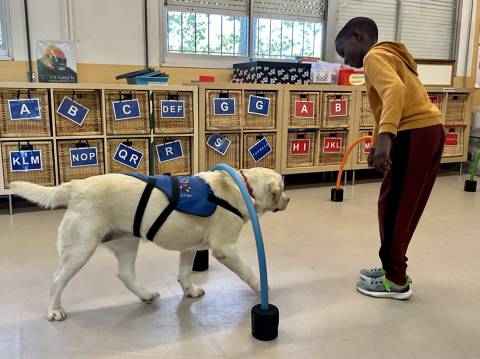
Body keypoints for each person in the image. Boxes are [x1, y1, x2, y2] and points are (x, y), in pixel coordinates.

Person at [335, 17, 445, 300]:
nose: (346, 60)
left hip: (414, 133)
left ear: (357, 36)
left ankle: (396, 280)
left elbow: (394, 91)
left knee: (393, 206)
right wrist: (378, 141)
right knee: (404, 205)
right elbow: (388, 103)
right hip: (429, 131)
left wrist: (386, 137)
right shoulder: (390, 54)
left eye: (343, 50)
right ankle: (391, 267)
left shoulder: (374, 56)